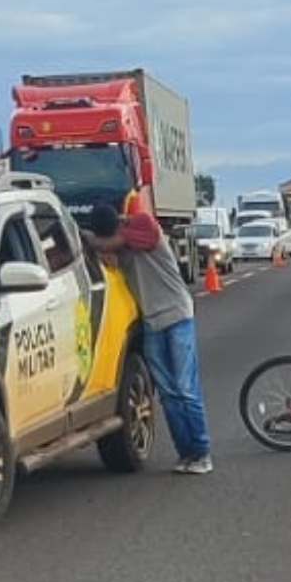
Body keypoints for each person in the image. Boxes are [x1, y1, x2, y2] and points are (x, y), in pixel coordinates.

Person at [82, 203, 213, 475]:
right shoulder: (118, 245)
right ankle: (187, 453)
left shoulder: (142, 224)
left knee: (185, 389)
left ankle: (202, 452)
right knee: (167, 393)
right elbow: (107, 250)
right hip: (153, 323)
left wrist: (83, 236)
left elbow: (107, 243)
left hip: (177, 316)